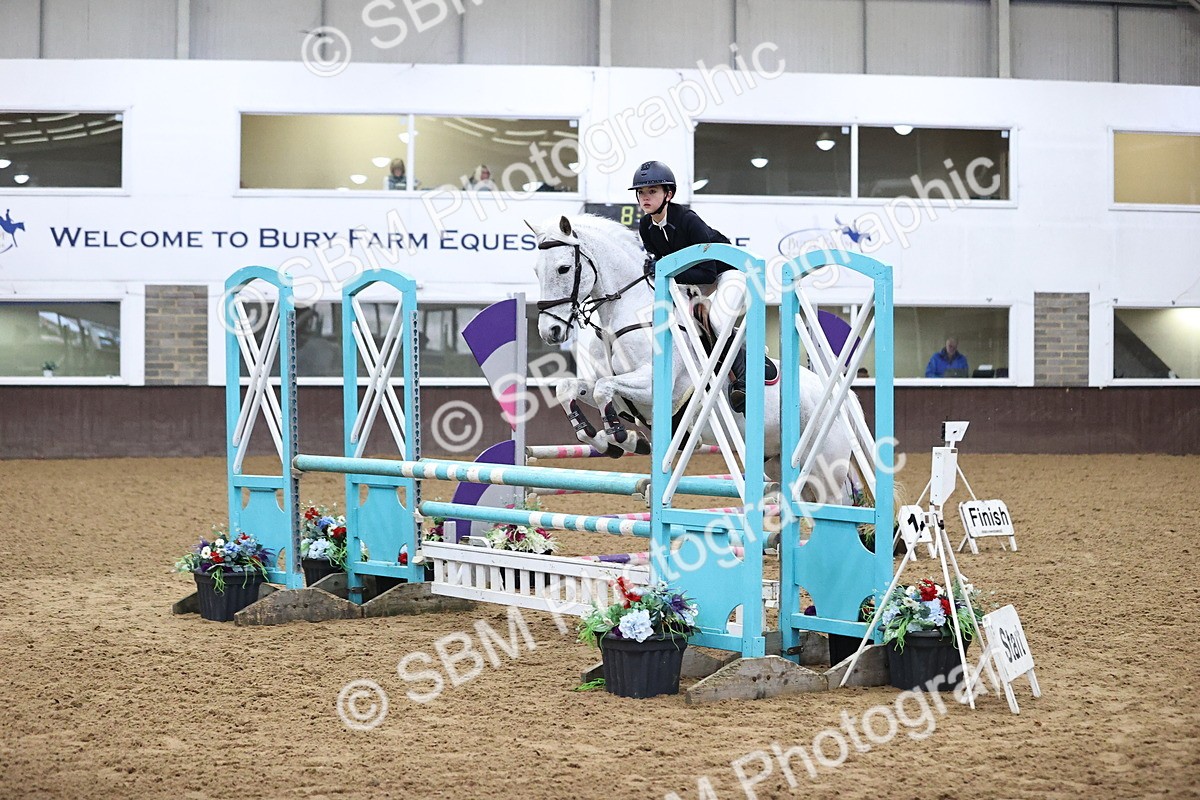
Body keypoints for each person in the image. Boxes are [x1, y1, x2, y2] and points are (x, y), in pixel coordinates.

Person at [632, 160, 776, 413]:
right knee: (681, 325)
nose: (645, 197)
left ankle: (744, 375)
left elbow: (707, 273)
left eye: (652, 191)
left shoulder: (688, 219)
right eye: (641, 192)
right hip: (694, 281)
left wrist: (668, 272)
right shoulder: (646, 226)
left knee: (717, 323)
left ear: (669, 194)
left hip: (727, 274)